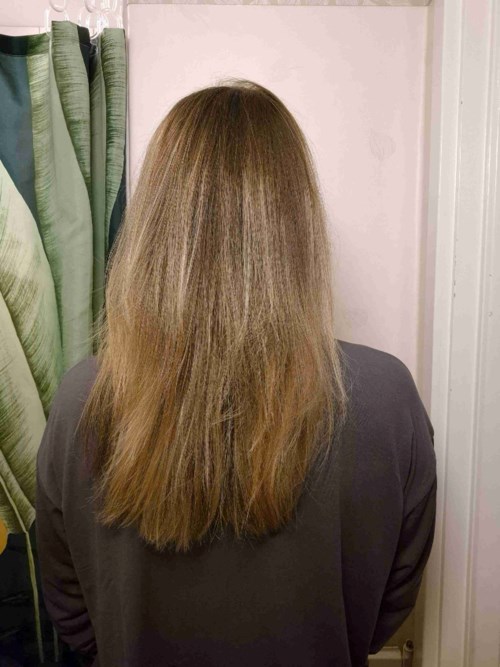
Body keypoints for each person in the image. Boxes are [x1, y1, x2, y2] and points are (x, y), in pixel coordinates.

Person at [35, 78, 437, 667]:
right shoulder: (385, 398)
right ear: (298, 224)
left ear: (154, 225)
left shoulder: (84, 399)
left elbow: (71, 610)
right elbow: (385, 610)